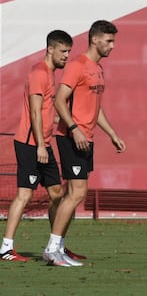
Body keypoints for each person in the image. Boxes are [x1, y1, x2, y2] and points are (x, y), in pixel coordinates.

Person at [42, 20, 126, 267]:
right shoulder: (77, 65)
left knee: (74, 193)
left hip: (85, 139)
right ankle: (52, 248)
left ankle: (58, 247)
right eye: (109, 41)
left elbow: (95, 108)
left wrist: (112, 134)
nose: (112, 46)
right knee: (77, 192)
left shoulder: (98, 69)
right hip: (71, 137)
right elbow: (59, 100)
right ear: (95, 39)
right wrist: (75, 129)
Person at [0, 30, 79, 262]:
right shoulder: (38, 73)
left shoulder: (50, 74)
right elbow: (35, 112)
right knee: (24, 195)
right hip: (31, 144)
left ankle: (56, 247)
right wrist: (41, 146)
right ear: (50, 49)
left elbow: (44, 113)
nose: (66, 56)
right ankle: (6, 248)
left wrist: (61, 123)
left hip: (43, 143)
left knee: (57, 194)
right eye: (63, 51)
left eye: (69, 52)